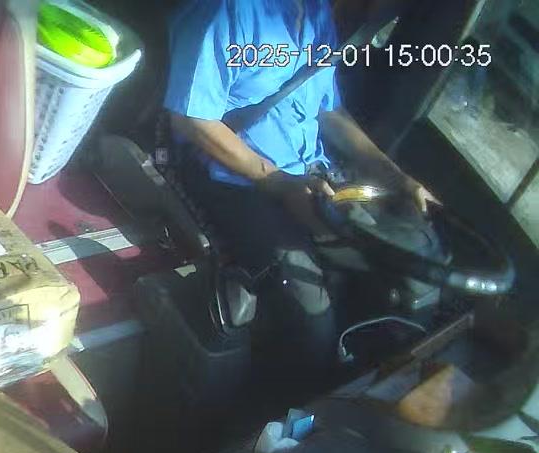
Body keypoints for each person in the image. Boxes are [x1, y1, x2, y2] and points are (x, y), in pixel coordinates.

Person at [165, 0, 434, 384]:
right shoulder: (223, 11)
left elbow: (330, 110)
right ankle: (292, 403)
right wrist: (278, 183)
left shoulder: (316, 12)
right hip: (234, 182)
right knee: (313, 326)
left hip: (310, 173)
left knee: (405, 271)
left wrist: (395, 177)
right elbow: (192, 118)